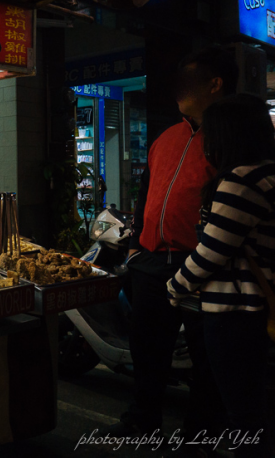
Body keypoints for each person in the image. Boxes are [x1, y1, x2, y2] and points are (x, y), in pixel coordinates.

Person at [108, 47, 238, 447]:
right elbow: (146, 191)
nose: (178, 87)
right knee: (147, 352)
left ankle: (199, 437)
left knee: (206, 360)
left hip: (201, 264)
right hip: (151, 261)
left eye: (190, 78)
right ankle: (142, 421)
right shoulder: (166, 137)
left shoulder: (231, 139)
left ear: (215, 84)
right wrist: (134, 246)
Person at [167, 95, 275, 458]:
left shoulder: (241, 181)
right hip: (260, 311)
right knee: (256, 407)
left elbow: (212, 253)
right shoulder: (268, 174)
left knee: (245, 415)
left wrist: (175, 285)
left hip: (236, 315)